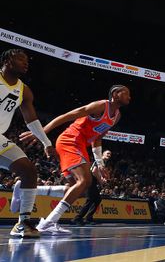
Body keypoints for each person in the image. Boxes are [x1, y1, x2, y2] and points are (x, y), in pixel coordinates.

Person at [20, 84, 131, 235]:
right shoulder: (100, 106)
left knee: (77, 190)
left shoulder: (117, 116)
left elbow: (97, 139)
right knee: (85, 180)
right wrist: (41, 132)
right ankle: (49, 222)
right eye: (126, 93)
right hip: (70, 140)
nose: (129, 97)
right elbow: (67, 116)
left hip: (81, 146)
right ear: (116, 94)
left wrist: (100, 163)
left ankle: (25, 189)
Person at [0, 49, 58, 238]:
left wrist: (46, 142)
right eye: (20, 59)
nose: (26, 63)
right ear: (8, 60)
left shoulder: (24, 90)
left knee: (28, 170)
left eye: (27, 60)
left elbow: (31, 120)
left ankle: (23, 222)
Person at [72, 150, 112, 225]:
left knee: (97, 199)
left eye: (110, 154)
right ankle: (77, 218)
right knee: (90, 200)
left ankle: (88, 218)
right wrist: (100, 181)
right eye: (108, 153)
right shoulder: (99, 161)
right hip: (90, 180)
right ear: (103, 154)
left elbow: (98, 172)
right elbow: (94, 171)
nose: (109, 155)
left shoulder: (103, 163)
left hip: (93, 181)